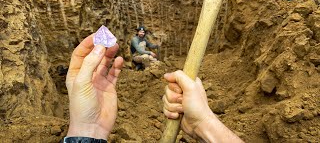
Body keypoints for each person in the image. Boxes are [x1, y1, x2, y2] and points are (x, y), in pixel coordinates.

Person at [62, 34, 243, 142]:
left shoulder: (144, 38)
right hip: (139, 58)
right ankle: (142, 70)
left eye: (142, 32)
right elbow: (140, 51)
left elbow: (149, 45)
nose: (141, 33)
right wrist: (88, 128)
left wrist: (203, 123)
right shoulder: (134, 40)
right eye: (140, 31)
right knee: (147, 59)